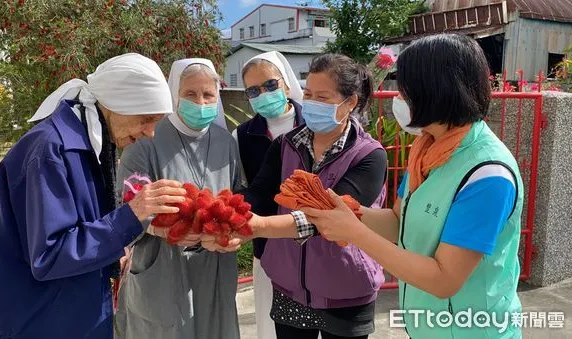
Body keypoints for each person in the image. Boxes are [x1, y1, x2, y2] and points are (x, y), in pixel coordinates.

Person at [304, 34, 523, 339]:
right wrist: (350, 213)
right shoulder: (428, 150)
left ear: (436, 90)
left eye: (405, 90)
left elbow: (444, 279)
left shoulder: (487, 175)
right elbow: (399, 221)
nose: (398, 98)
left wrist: (355, 234)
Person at [0, 53, 186, 339]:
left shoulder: (91, 142)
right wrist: (130, 216)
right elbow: (49, 254)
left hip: (64, 314)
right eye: (146, 119)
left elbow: (79, 228)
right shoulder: (49, 149)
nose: (150, 133)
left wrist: (114, 251)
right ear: (117, 104)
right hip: (34, 320)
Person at [206, 53, 388, 339]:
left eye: (323, 97)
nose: (312, 103)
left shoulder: (369, 156)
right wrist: (228, 213)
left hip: (345, 288)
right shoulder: (286, 145)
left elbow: (328, 218)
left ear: (350, 102)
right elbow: (260, 193)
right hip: (290, 285)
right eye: (309, 94)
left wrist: (259, 227)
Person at [114, 58, 242, 339]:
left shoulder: (226, 143)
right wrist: (162, 229)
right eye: (190, 94)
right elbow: (123, 211)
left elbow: (238, 201)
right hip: (163, 267)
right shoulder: (145, 142)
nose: (200, 102)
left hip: (214, 266)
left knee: (215, 328)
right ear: (175, 95)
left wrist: (229, 232)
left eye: (208, 94)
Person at [232, 51, 304, 339]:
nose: (263, 94)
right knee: (270, 324)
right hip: (268, 245)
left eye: (270, 85)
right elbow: (242, 188)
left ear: (286, 83)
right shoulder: (242, 136)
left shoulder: (314, 122)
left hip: (315, 243)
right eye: (253, 90)